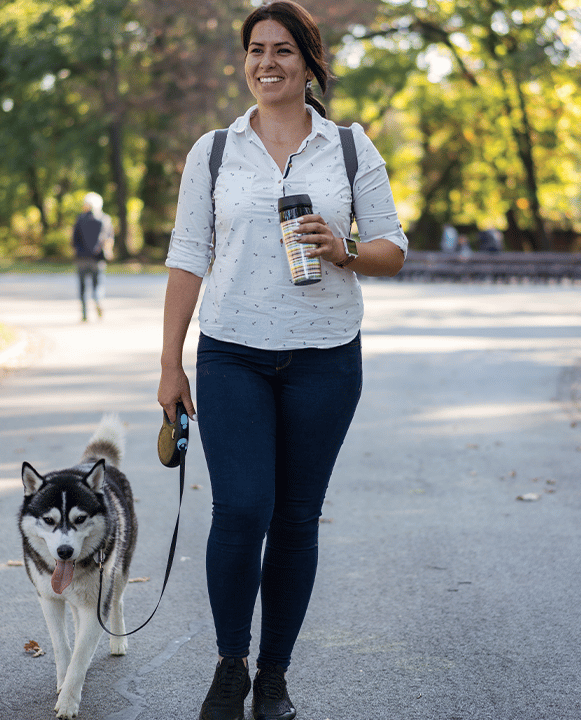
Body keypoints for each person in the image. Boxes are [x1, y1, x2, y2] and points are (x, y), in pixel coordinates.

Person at [158, 3, 407, 719]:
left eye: (283, 51)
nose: (267, 63)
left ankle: (275, 676)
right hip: (232, 352)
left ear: (309, 61)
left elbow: (393, 247)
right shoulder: (212, 151)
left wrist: (345, 249)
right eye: (256, 51)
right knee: (240, 511)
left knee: (296, 519)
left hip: (325, 359)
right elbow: (186, 259)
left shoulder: (350, 148)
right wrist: (170, 366)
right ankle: (231, 663)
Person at [71, 192, 114, 321]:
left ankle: (84, 314)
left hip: (81, 259)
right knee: (98, 284)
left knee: (82, 287)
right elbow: (108, 239)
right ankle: (98, 300)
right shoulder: (105, 219)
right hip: (97, 259)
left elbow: (74, 240)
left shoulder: (80, 219)